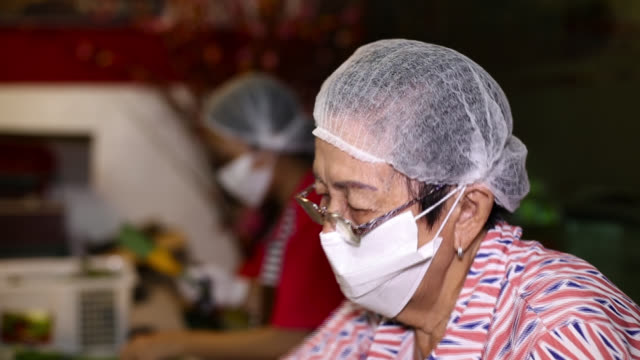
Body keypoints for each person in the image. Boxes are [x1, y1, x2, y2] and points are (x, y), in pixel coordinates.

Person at [285, 39, 640, 359]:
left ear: (468, 211)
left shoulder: (560, 333)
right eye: (323, 197)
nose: (330, 232)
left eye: (359, 207)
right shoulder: (372, 317)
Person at [121, 73, 344, 360]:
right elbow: (287, 301)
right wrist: (235, 292)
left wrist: (175, 343)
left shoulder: (313, 211)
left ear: (263, 150)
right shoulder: (289, 210)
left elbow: (291, 339)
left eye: (226, 159)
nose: (224, 174)